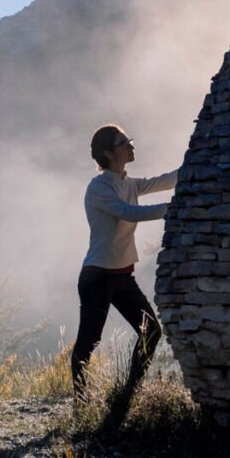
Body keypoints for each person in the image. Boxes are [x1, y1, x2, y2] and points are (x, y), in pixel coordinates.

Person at [71, 124, 178, 409]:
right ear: (108, 153)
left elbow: (162, 181)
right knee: (89, 340)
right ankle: (81, 403)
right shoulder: (99, 187)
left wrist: (198, 164)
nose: (131, 145)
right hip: (97, 277)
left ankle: (128, 395)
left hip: (122, 275)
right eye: (124, 142)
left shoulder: (127, 182)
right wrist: (174, 209)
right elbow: (129, 213)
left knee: (151, 330)